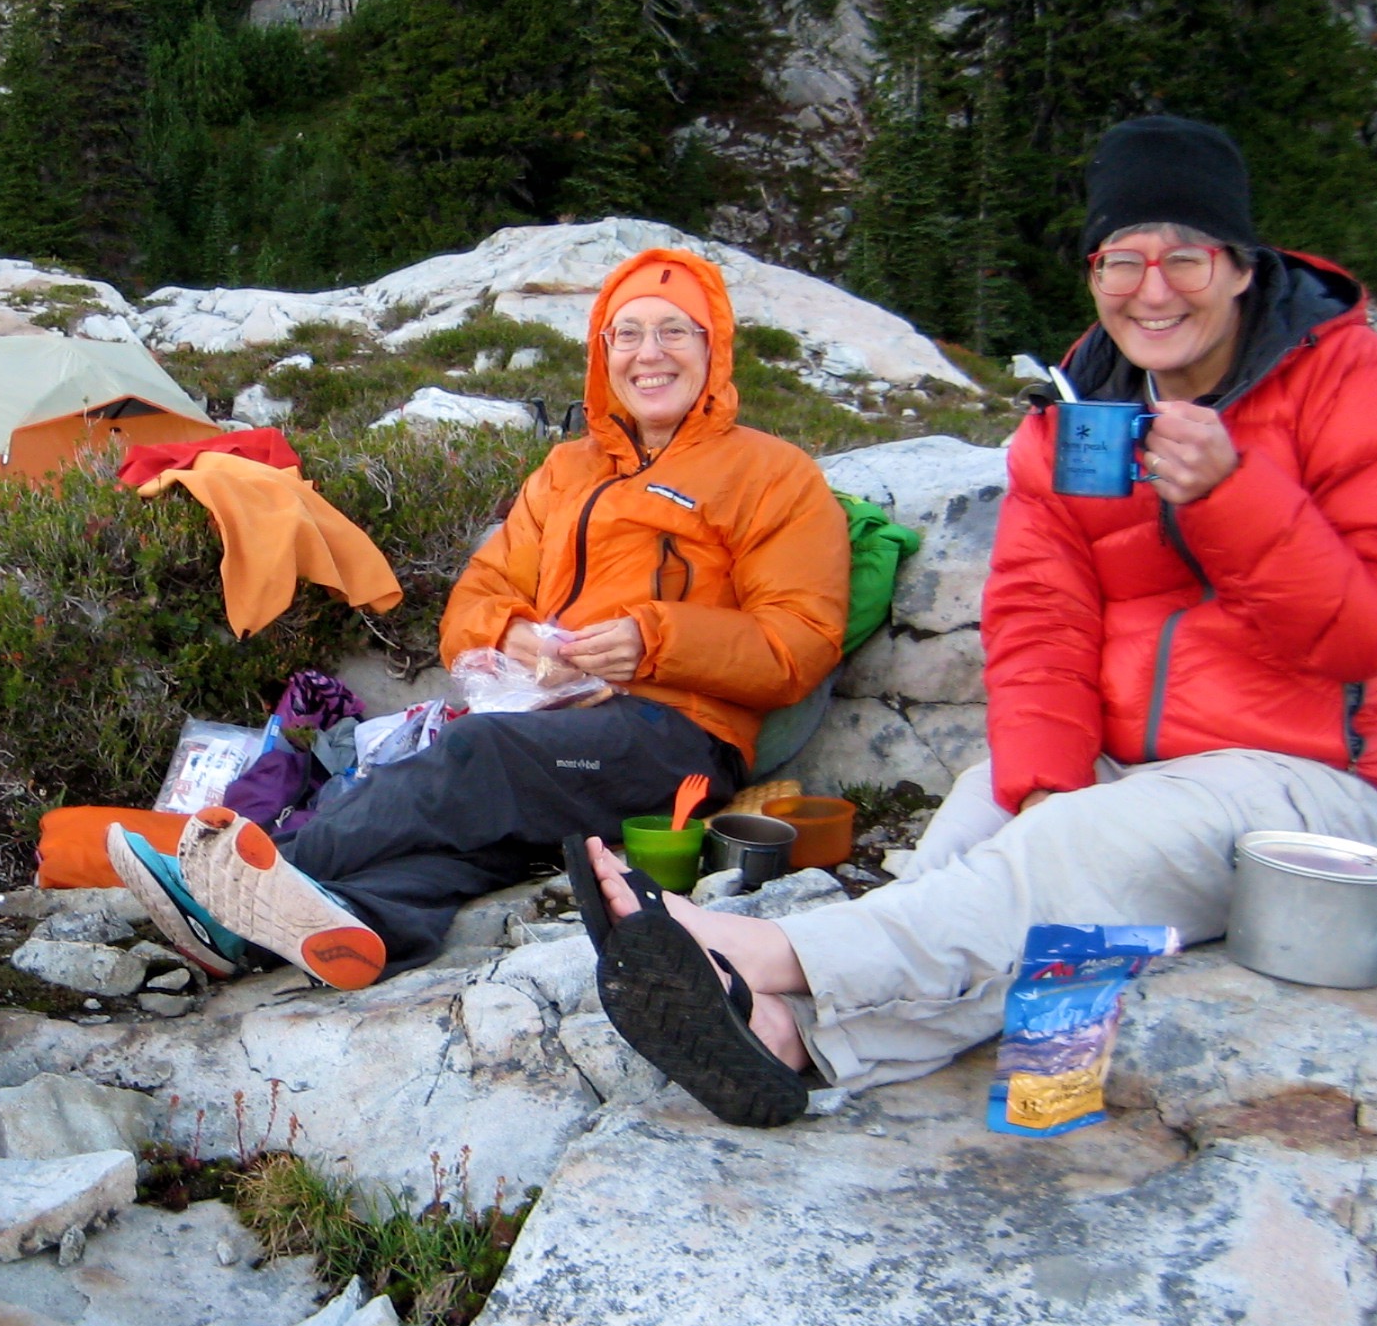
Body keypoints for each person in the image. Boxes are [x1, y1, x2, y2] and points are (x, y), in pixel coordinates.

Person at [576, 115, 1377, 1126]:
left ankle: (769, 954)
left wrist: (1235, 494)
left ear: (1243, 266)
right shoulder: (1076, 415)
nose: (1153, 289)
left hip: (1300, 784)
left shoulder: (1353, 385)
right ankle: (796, 1040)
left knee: (1068, 853)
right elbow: (1041, 616)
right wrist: (1042, 777)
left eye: (1187, 258)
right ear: (1093, 273)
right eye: (1123, 259)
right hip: (1123, 766)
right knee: (976, 840)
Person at [110, 247, 849, 989]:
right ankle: (351, 926)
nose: (648, 354)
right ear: (602, 352)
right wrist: (510, 634)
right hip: (552, 719)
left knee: (480, 756)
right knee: (467, 842)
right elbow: (478, 595)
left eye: (674, 331)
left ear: (713, 346)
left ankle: (227, 888)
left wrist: (654, 641)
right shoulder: (567, 470)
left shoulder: (773, 474)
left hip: (675, 739)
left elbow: (800, 645)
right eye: (626, 335)